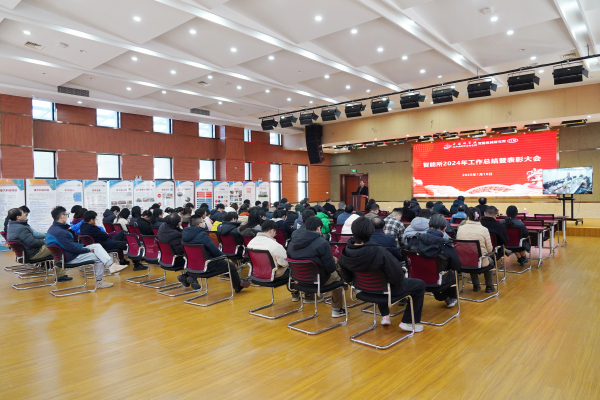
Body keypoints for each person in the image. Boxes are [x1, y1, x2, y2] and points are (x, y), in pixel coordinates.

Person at [338, 216, 426, 331]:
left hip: (362, 291)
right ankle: (408, 322)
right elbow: (397, 278)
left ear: (353, 231)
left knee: (382, 280)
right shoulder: (379, 252)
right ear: (371, 232)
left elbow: (347, 277)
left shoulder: (346, 251)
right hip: (385, 291)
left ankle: (385, 315)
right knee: (419, 284)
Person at [46, 206, 118, 288]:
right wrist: (87, 250)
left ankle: (111, 265)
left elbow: (69, 245)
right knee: (99, 257)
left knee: (97, 246)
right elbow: (72, 248)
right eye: (66, 215)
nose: (67, 217)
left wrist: (83, 246)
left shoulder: (53, 229)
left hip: (65, 255)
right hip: (70, 257)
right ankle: (100, 282)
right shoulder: (60, 232)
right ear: (62, 216)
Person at [287, 216, 346, 316]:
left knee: (335, 261)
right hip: (319, 280)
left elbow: (289, 261)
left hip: (299, 279)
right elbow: (330, 268)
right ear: (318, 228)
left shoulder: (292, 242)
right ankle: (337, 309)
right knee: (338, 278)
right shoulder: (322, 243)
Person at [181, 215, 249, 292]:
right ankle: (238, 286)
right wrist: (222, 256)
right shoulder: (202, 235)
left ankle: (239, 281)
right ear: (199, 224)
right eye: (203, 221)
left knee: (225, 265)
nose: (204, 223)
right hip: (207, 264)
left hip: (192, 265)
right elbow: (214, 250)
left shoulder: (184, 235)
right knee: (230, 265)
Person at [407, 214, 460, 308]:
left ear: (428, 226)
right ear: (444, 228)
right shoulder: (446, 245)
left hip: (415, 278)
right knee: (452, 273)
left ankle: (445, 297)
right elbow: (457, 265)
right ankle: (450, 298)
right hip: (437, 281)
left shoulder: (415, 239)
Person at [6, 207, 72, 282]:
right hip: (33, 253)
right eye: (23, 214)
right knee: (57, 248)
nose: (25, 215)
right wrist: (45, 241)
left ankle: (59, 273)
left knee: (55, 248)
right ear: (18, 217)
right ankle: (60, 276)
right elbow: (32, 243)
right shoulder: (21, 228)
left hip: (26, 253)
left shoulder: (12, 226)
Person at [247, 220, 298, 300]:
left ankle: (296, 294)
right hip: (274, 274)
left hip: (257, 274)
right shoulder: (274, 245)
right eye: (275, 232)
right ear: (271, 231)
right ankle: (297, 293)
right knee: (295, 268)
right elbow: (286, 263)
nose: (275, 234)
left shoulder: (250, 243)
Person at [80, 211, 145, 271]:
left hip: (103, 243)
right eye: (95, 219)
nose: (95, 220)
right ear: (91, 220)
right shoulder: (92, 228)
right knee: (129, 245)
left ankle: (123, 260)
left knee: (122, 233)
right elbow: (105, 236)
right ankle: (137, 264)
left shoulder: (83, 226)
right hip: (105, 244)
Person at [456, 207, 494, 293]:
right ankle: (489, 286)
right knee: (489, 260)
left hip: (464, 261)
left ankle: (476, 285)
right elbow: (489, 250)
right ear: (480, 217)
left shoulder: (460, 228)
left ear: (468, 217)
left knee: (470, 256)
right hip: (480, 262)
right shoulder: (484, 230)